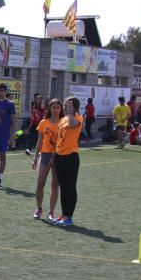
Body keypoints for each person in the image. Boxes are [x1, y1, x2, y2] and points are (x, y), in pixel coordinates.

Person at [51, 96, 84, 226]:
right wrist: (54, 155)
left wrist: (71, 112)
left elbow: (71, 125)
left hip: (71, 156)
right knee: (63, 187)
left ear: (74, 107)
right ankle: (64, 214)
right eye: (65, 105)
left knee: (70, 186)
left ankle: (69, 216)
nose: (65, 107)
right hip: (59, 155)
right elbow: (59, 138)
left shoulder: (78, 118)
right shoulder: (63, 119)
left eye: (68, 105)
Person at [31, 98, 62, 221]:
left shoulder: (63, 123)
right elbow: (39, 141)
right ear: (49, 109)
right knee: (40, 184)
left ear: (61, 109)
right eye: (53, 107)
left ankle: (51, 212)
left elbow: (62, 142)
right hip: (45, 155)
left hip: (58, 156)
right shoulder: (44, 122)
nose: (55, 110)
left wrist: (55, 155)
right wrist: (35, 157)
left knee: (55, 185)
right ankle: (39, 208)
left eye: (58, 107)